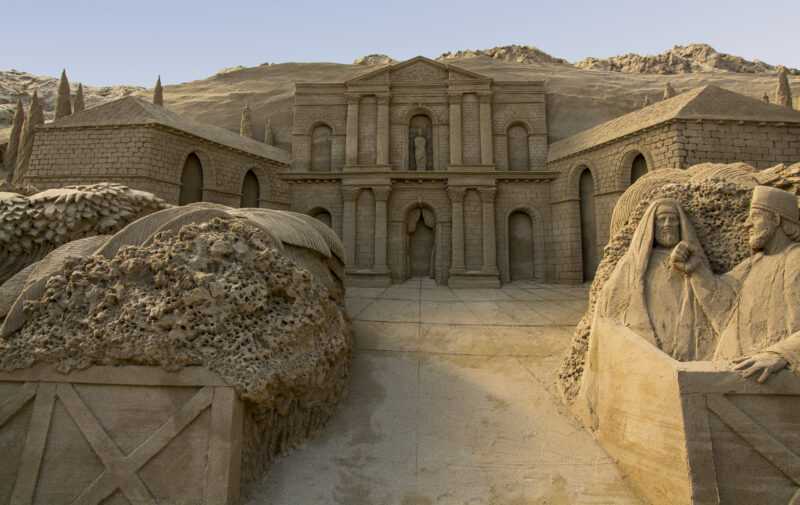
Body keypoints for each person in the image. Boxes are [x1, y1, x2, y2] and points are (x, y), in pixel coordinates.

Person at [672, 186, 800, 382]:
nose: (747, 224)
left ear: (776, 219)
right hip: (739, 374)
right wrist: (696, 271)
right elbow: (723, 307)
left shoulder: (795, 260)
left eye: (755, 216)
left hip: (776, 382)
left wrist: (781, 354)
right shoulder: (753, 264)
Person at [596, 198, 715, 360]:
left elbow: (713, 297)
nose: (667, 224)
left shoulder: (693, 260)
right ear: (652, 226)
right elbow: (609, 305)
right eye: (661, 219)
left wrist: (695, 269)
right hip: (646, 352)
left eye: (673, 219)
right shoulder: (632, 264)